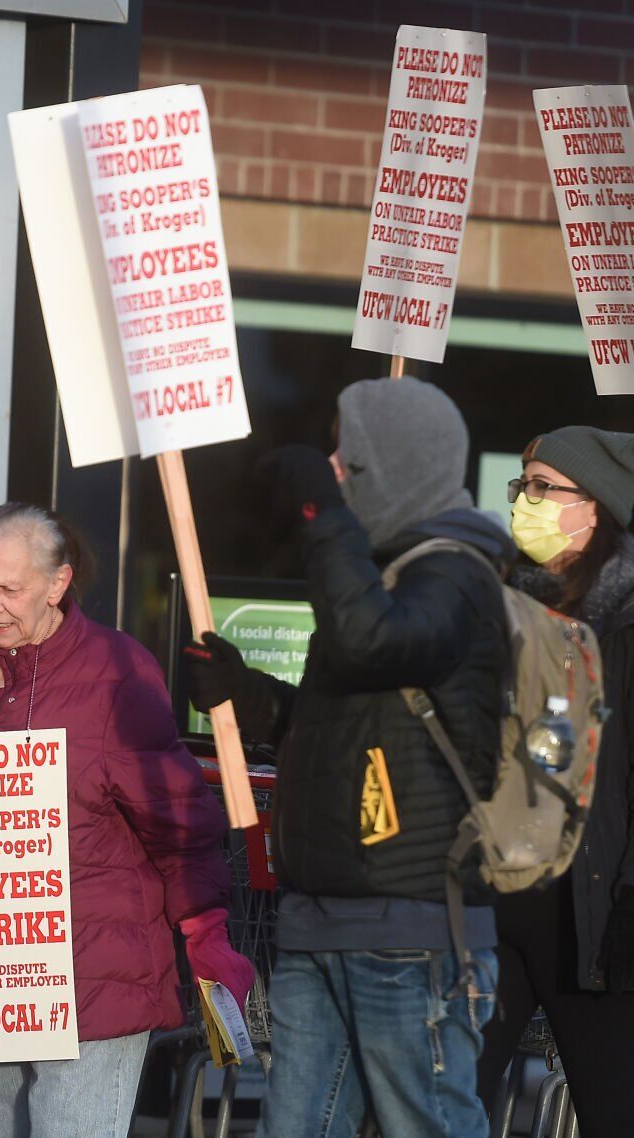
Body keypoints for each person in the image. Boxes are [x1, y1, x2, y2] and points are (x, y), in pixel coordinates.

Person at [184, 377, 512, 1138]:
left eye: (350, 461)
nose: (336, 470)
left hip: (410, 931)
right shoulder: (381, 575)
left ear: (393, 469)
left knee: (426, 1124)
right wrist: (250, 693)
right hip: (318, 920)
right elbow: (342, 723)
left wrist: (321, 514)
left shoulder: (459, 574)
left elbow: (374, 644)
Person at [0, 503, 253, 1138]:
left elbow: (176, 816)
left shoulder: (114, 671)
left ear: (58, 583)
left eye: (10, 589)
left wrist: (205, 928)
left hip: (93, 974)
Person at [475, 427, 634, 1137]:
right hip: (497, 902)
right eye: (523, 486)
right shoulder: (507, 603)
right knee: (443, 1104)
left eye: (545, 488)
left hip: (595, 916)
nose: (526, 502)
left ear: (595, 507)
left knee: (614, 1116)